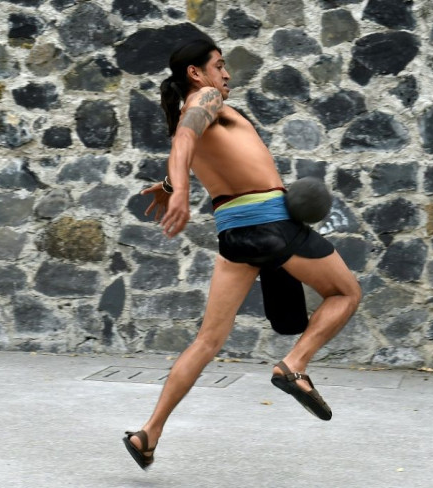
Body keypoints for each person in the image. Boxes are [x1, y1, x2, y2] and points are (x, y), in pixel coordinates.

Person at [123, 28, 362, 470]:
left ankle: (148, 433)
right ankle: (294, 366)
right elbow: (185, 139)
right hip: (271, 223)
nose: (226, 75)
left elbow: (188, 145)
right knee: (346, 293)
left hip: (234, 235)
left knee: (207, 341)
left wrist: (171, 184)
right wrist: (178, 196)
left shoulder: (195, 112)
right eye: (219, 66)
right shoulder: (206, 101)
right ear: (196, 74)